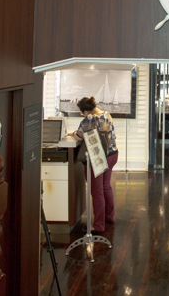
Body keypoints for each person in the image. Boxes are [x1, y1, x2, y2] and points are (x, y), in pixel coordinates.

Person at [70, 96, 118, 235]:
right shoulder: (107, 114)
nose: (82, 114)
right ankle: (109, 216)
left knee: (97, 191)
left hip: (98, 158)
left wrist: (73, 133)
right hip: (112, 154)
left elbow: (79, 136)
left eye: (82, 112)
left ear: (86, 111)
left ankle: (98, 225)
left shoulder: (89, 120)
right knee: (106, 186)